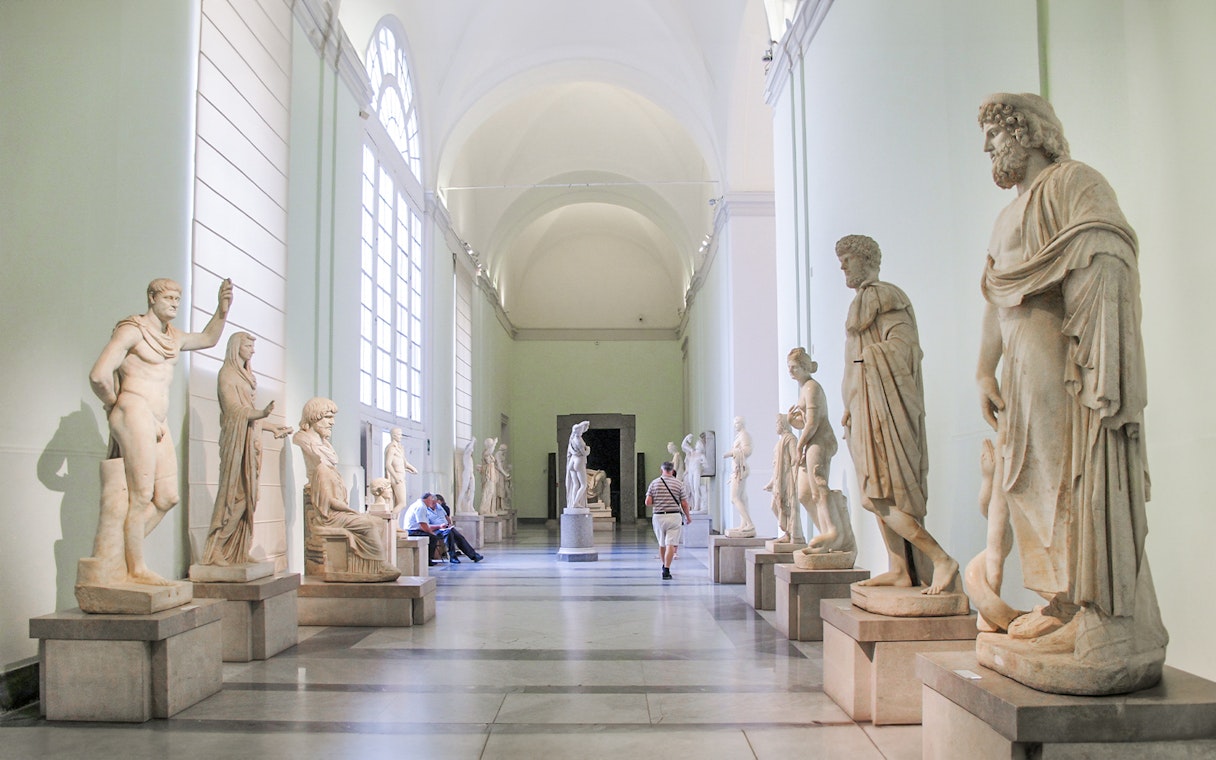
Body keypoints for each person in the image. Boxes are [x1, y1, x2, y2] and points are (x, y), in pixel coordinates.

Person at [973, 93, 1166, 692]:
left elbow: (1108, 250)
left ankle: (1094, 612)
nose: (987, 148)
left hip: (1062, 359)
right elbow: (996, 298)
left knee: (1067, 481)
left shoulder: (1072, 184)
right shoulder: (1006, 218)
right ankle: (1061, 602)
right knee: (1027, 483)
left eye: (994, 135)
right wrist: (985, 369)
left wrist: (1097, 348)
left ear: (1028, 133)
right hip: (1019, 374)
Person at [83, 277, 232, 588]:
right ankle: (135, 568)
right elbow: (99, 374)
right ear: (151, 297)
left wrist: (222, 310)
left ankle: (117, 556)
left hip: (157, 419)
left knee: (166, 497)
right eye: (168, 297)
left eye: (178, 298)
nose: (174, 303)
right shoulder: (132, 330)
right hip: (135, 410)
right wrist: (115, 405)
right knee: (140, 496)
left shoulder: (172, 337)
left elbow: (207, 338)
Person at [837, 234, 958, 594]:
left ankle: (940, 559)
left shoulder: (884, 296)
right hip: (863, 407)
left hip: (886, 407)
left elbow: (904, 350)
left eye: (847, 259)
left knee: (881, 494)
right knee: (875, 492)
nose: (842, 266)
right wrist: (850, 403)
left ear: (866, 259)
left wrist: (868, 363)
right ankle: (900, 568)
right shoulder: (860, 302)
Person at [201, 332, 292, 567]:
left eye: (253, 346)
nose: (252, 350)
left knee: (251, 496)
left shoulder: (246, 377)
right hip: (235, 444)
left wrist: (271, 427)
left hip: (250, 444)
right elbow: (234, 411)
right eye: (248, 346)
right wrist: (261, 413)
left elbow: (250, 414)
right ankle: (217, 549)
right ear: (235, 347)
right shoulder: (227, 375)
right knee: (235, 497)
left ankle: (239, 550)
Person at [293, 397, 399, 581]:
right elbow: (328, 500)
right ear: (314, 417)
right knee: (366, 523)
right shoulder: (305, 442)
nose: (332, 422)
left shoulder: (325, 447)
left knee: (375, 522)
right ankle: (376, 565)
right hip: (327, 511)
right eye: (327, 417)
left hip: (333, 507)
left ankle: (371, 565)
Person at [786, 347, 855, 556]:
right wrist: (792, 421)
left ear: (806, 367)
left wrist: (799, 446)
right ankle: (827, 533)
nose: (791, 371)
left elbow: (814, 423)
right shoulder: (804, 389)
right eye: (789, 367)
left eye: (795, 367)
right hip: (810, 441)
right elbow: (805, 422)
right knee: (805, 494)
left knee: (818, 486)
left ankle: (834, 532)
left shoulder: (812, 388)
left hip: (820, 441)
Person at [404, 492, 483, 565]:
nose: (434, 504)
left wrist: (448, 524)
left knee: (456, 535)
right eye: (432, 501)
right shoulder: (422, 507)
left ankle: (473, 555)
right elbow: (423, 525)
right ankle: (452, 557)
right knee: (447, 534)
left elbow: (446, 516)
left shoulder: (432, 506)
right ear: (428, 500)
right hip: (427, 529)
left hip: (440, 528)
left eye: (435, 502)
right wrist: (438, 527)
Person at [645, 462, 690, 580]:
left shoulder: (654, 483)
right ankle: (667, 569)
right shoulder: (679, 484)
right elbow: (684, 503)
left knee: (662, 543)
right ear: (672, 470)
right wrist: (688, 517)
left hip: (659, 517)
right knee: (671, 543)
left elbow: (648, 502)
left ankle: (663, 565)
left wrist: (659, 502)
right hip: (674, 516)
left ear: (662, 470)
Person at [763, 413, 803, 543]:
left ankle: (793, 535)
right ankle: (787, 532)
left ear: (782, 424)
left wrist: (794, 477)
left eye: (777, 423)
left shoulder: (791, 439)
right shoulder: (781, 441)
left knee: (788, 506)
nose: (776, 426)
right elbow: (776, 466)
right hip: (779, 478)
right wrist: (771, 482)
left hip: (787, 478)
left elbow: (794, 459)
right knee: (775, 506)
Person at [723, 416, 755, 537]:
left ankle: (750, 524)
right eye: (734, 423)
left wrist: (730, 453)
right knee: (742, 497)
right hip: (737, 469)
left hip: (739, 470)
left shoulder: (744, 435)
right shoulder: (740, 435)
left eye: (737, 423)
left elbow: (747, 450)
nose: (735, 425)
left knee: (734, 498)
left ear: (742, 424)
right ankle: (744, 524)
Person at [384, 427, 418, 513]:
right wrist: (395, 477)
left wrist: (412, 468)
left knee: (397, 503)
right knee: (402, 503)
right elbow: (388, 464)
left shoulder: (400, 449)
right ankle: (390, 521)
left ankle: (395, 524)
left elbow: (405, 463)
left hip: (401, 476)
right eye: (399, 434)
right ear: (393, 435)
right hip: (397, 477)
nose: (401, 436)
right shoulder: (392, 448)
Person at [565, 421, 591, 510]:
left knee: (576, 484)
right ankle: (575, 503)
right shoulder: (579, 440)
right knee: (583, 485)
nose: (583, 430)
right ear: (579, 431)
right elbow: (584, 453)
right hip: (578, 462)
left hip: (572, 462)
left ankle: (573, 503)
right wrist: (588, 449)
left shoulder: (572, 439)